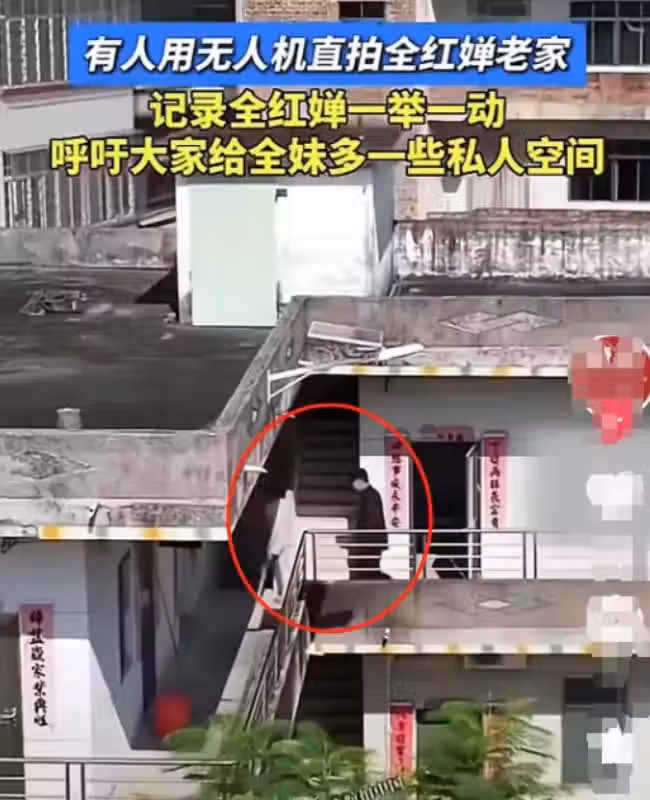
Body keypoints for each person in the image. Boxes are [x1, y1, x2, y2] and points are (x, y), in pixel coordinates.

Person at [339, 469, 389, 579]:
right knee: (367, 569)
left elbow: (372, 520)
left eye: (353, 482)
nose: (352, 486)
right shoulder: (369, 495)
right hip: (371, 541)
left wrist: (360, 538)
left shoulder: (370, 496)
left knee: (367, 569)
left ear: (360, 481)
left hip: (370, 541)